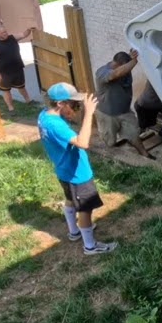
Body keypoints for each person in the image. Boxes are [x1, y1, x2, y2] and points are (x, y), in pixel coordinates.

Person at [38, 82, 117, 256]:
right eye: (73, 104)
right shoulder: (56, 125)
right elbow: (83, 143)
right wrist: (89, 113)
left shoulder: (44, 116)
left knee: (71, 199)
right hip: (77, 173)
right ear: (60, 104)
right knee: (85, 208)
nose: (76, 107)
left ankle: (74, 232)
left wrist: (74, 112)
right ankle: (90, 245)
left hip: (63, 170)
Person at [94, 50, 150, 157]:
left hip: (125, 111)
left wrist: (133, 56)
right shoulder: (102, 72)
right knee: (110, 141)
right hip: (107, 115)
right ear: (118, 64)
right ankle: (111, 159)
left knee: (134, 134)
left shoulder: (125, 69)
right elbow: (115, 74)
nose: (128, 70)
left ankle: (145, 154)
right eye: (126, 67)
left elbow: (124, 70)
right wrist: (134, 62)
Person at [0, 23, 37, 111]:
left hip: (17, 69)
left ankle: (28, 101)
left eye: (5, 31)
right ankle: (11, 108)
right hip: (4, 73)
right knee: (6, 90)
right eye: (2, 33)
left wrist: (29, 29)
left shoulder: (12, 38)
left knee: (21, 87)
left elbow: (23, 34)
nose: (5, 33)